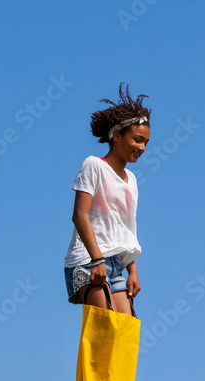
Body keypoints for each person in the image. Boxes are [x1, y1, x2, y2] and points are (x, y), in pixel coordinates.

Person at [64, 83, 151, 315]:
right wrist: (96, 260)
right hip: (87, 260)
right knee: (105, 327)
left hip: (116, 264)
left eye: (145, 143)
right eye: (137, 139)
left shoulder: (131, 179)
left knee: (125, 331)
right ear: (116, 136)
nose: (142, 147)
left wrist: (133, 270)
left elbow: (124, 230)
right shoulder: (93, 165)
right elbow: (79, 215)